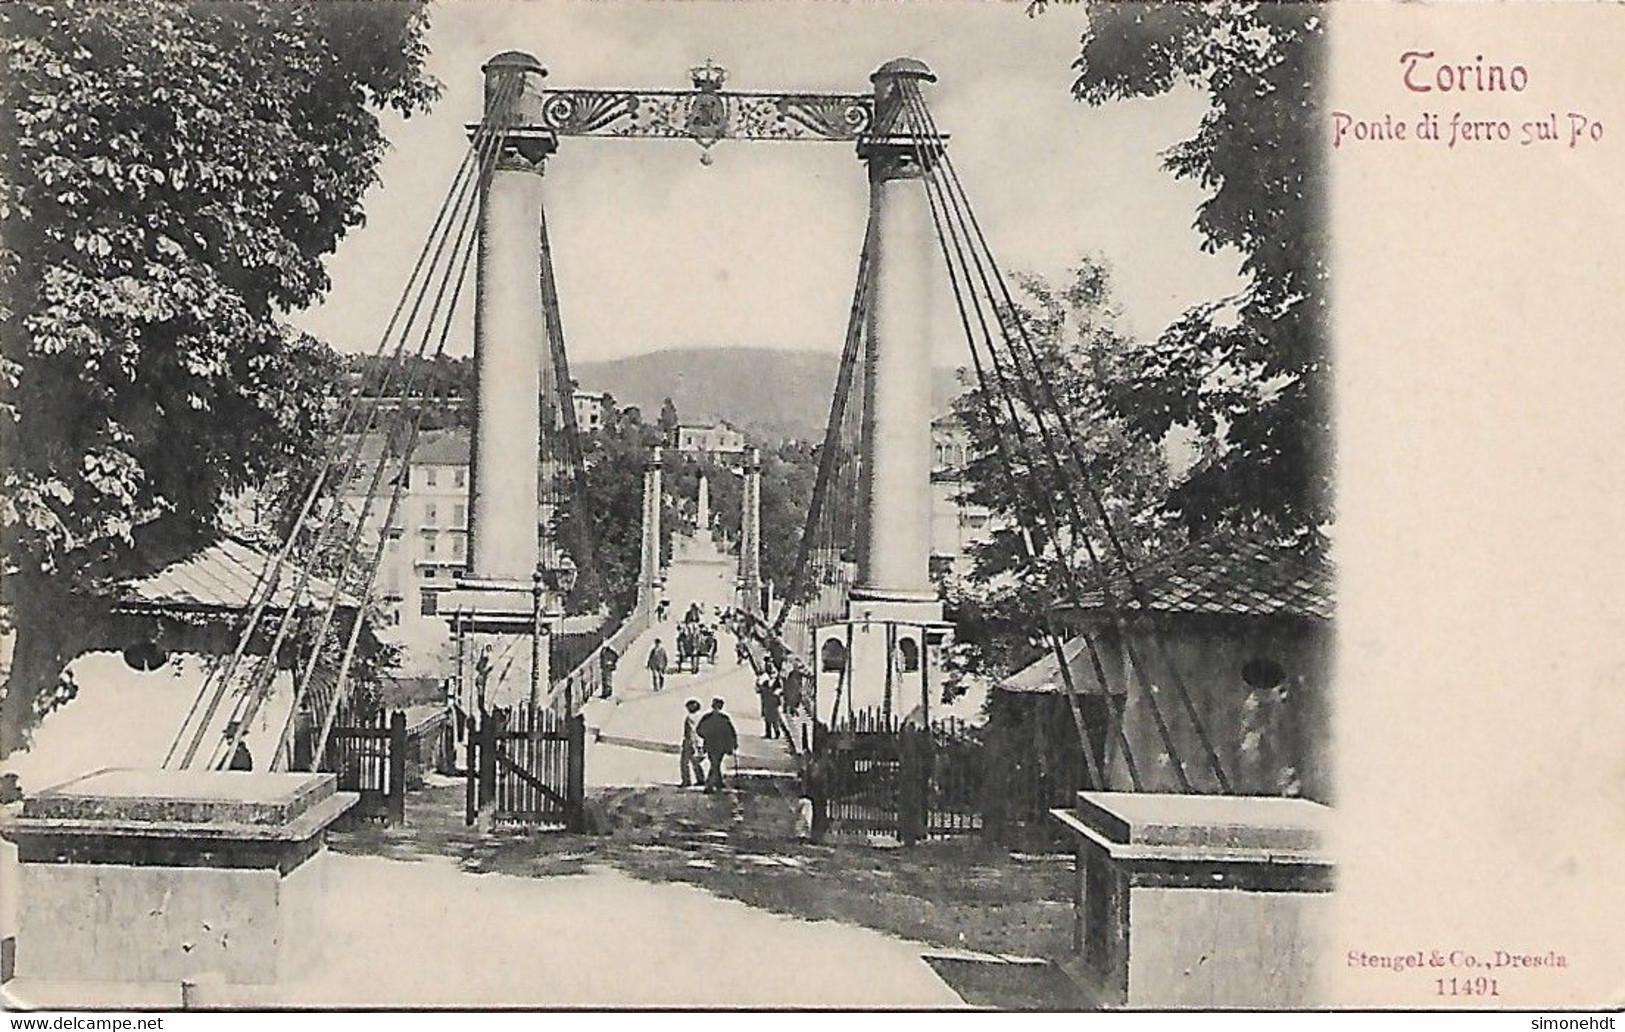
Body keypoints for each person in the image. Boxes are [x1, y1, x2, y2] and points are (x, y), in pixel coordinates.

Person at [696, 697, 738, 793]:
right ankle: (710, 785)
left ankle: (717, 782)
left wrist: (706, 736)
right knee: (716, 763)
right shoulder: (724, 718)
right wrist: (733, 744)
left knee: (715, 763)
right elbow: (731, 733)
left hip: (710, 745)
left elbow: (699, 730)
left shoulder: (707, 717)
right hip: (721, 746)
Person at [679, 698, 706, 788]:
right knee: (696, 762)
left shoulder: (690, 718)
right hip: (700, 741)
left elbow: (690, 732)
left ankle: (686, 781)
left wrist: (690, 742)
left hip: (690, 742)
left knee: (684, 762)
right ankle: (701, 779)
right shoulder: (701, 716)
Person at [757, 666, 785, 740]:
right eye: (771, 674)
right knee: (767, 719)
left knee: (774, 719)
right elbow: (760, 690)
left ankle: (777, 732)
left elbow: (781, 691)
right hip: (767, 702)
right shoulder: (766, 682)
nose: (772, 675)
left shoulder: (777, 683)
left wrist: (778, 692)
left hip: (774, 703)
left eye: (773, 673)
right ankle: (768, 733)